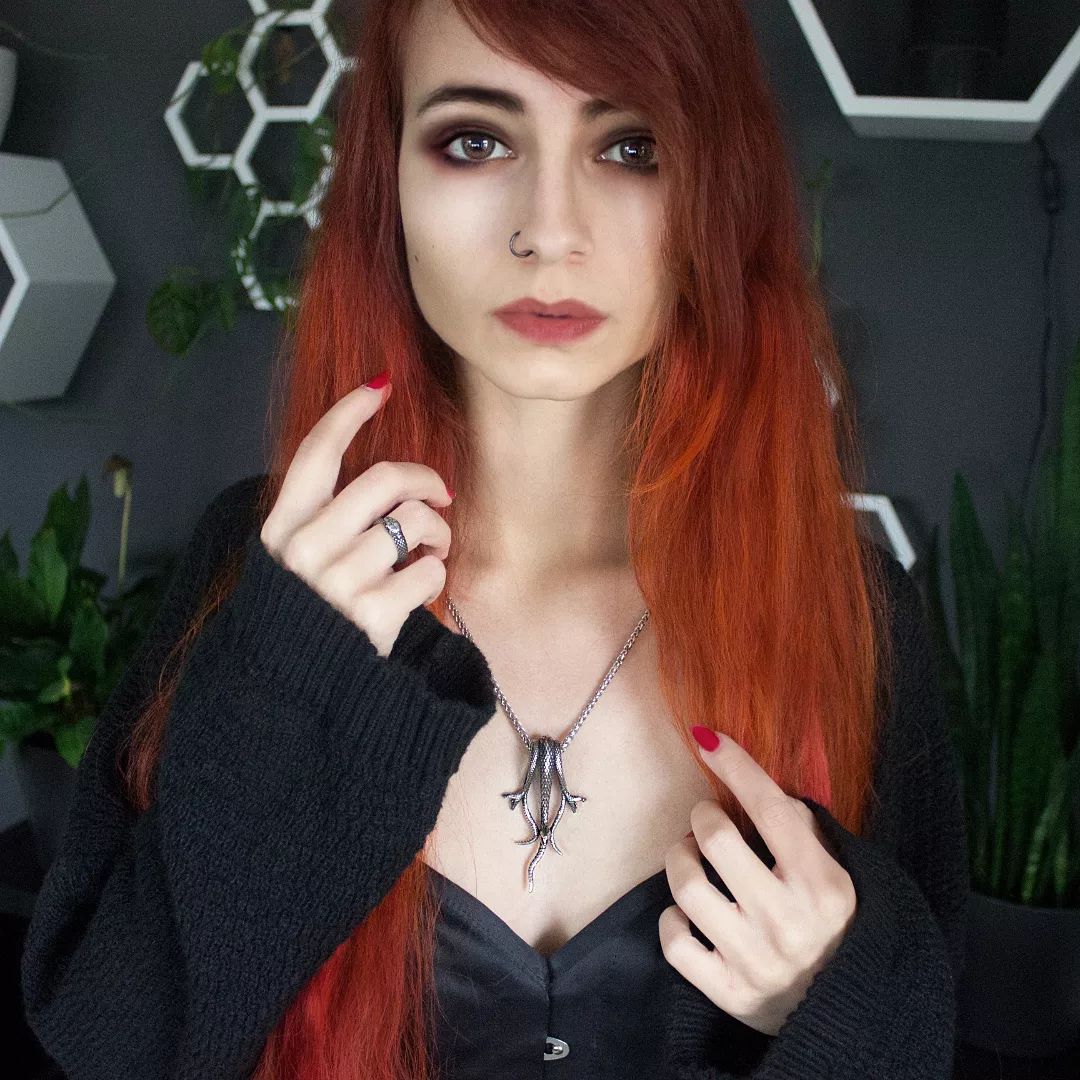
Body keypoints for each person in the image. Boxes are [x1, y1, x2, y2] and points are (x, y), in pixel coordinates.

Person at [21, 0, 969, 1078]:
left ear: (718, 188)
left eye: (632, 147)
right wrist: (279, 692)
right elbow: (111, 1044)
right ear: (388, 180)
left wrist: (842, 1002)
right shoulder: (272, 567)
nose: (549, 231)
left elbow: (933, 1033)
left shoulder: (848, 607)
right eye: (475, 140)